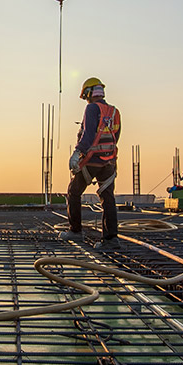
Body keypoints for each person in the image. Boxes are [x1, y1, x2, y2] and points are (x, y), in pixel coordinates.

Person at [61, 77, 121, 251]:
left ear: (88, 93)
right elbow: (116, 136)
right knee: (108, 198)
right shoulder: (114, 111)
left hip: (91, 160)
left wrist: (77, 153)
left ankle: (75, 231)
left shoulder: (92, 108)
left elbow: (87, 134)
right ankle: (111, 240)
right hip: (109, 162)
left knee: (74, 192)